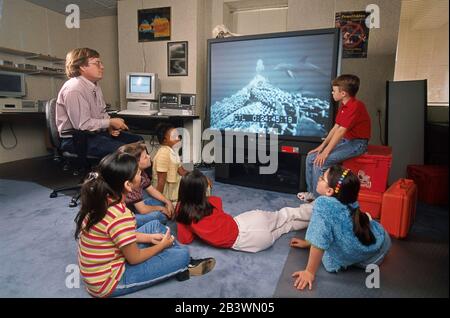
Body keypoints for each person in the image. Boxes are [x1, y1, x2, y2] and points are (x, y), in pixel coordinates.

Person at [74, 152, 215, 298]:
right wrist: (160, 246)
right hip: (108, 282)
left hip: (104, 266)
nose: (141, 176)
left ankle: (177, 262)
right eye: (138, 173)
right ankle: (183, 264)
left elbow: (117, 234)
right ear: (128, 185)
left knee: (154, 225)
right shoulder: (120, 215)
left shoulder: (100, 199)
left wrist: (149, 239)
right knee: (183, 255)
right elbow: (134, 258)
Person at [291, 165, 391, 291]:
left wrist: (309, 272)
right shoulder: (347, 196)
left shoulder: (323, 204)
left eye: (322, 178)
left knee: (328, 260)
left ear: (329, 191)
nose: (319, 179)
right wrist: (308, 243)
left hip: (366, 260)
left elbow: (319, 238)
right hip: (382, 242)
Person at [175, 169, 313, 253]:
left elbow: (185, 239)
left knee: (286, 228)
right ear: (202, 191)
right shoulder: (211, 202)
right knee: (285, 215)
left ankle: (309, 223)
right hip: (246, 223)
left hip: (250, 242)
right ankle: (316, 211)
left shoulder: (182, 212)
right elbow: (218, 201)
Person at [56, 48, 143, 159]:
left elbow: (101, 112)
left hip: (95, 135)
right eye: (97, 63)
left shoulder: (94, 85)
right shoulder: (74, 89)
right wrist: (109, 122)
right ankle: (132, 175)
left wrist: (110, 126)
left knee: (138, 141)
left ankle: (144, 176)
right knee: (126, 151)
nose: (102, 66)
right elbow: (82, 125)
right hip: (76, 140)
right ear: (82, 66)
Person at [298, 74, 371, 202]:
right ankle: (312, 193)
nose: (332, 93)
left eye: (334, 90)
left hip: (357, 144)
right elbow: (336, 127)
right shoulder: (344, 105)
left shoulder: (356, 106)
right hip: (346, 141)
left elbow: (341, 131)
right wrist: (322, 147)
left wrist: (325, 154)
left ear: (343, 93)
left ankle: (319, 200)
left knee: (320, 163)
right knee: (311, 158)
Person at [117, 141, 174, 227]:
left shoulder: (140, 172)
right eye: (145, 157)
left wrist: (168, 201)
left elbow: (151, 189)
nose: (149, 156)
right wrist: (162, 209)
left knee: (160, 201)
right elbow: (142, 209)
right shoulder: (131, 180)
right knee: (159, 216)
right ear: (136, 163)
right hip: (123, 216)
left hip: (134, 207)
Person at [151, 123, 190, 203]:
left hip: (175, 190)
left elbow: (181, 172)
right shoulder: (163, 153)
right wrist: (159, 203)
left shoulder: (173, 152)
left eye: (178, 136)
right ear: (165, 140)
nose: (178, 139)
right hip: (167, 195)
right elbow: (161, 182)